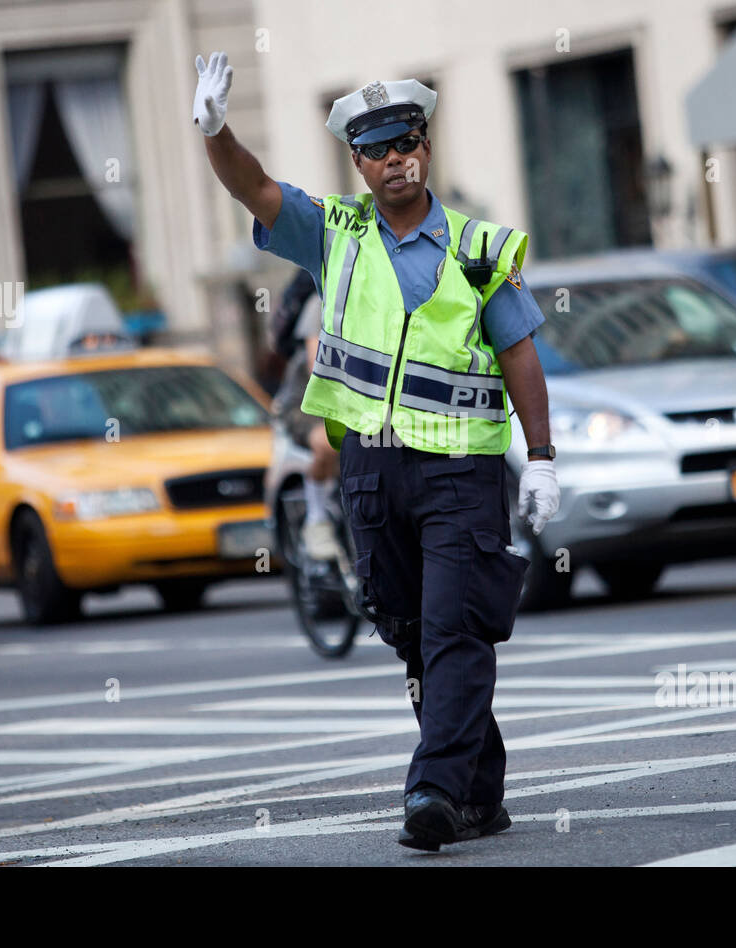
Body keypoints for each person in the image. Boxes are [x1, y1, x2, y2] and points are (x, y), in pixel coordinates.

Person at [194, 52, 560, 851]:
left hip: (460, 472)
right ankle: (479, 792)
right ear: (357, 161)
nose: (397, 157)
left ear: (426, 145)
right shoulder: (337, 233)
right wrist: (218, 132)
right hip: (368, 470)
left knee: (454, 627)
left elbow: (520, 355)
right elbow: (256, 189)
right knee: (407, 628)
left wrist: (542, 458)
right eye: (379, 147)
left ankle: (431, 791)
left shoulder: (477, 246)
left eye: (408, 141)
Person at [268, 270, 342, 562]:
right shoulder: (320, 300)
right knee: (328, 443)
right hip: (306, 400)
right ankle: (317, 518)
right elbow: (317, 365)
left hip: (358, 397)